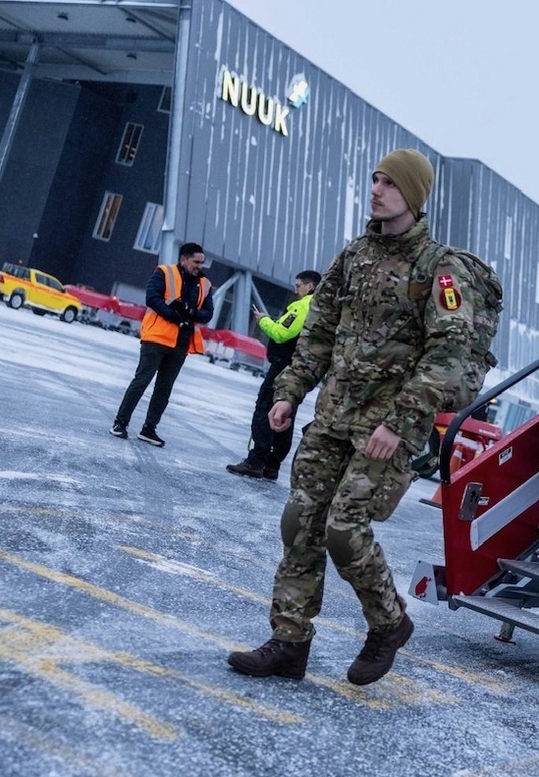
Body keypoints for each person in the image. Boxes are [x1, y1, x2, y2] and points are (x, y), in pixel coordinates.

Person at [228, 148, 494, 685]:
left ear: (413, 196)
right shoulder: (354, 256)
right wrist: (291, 390)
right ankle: (289, 642)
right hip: (333, 417)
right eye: (374, 179)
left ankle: (389, 623)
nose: (376, 189)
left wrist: (398, 422)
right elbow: (319, 332)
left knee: (345, 531)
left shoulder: (439, 269)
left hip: (388, 428)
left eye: (389, 183)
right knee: (299, 523)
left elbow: (449, 357)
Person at [110, 243, 214, 446]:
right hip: (156, 338)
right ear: (183, 259)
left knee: (164, 389)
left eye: (202, 263)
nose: (200, 266)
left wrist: (190, 314)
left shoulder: (205, 284)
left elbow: (208, 313)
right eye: (196, 262)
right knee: (141, 381)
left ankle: (149, 429)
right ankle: (120, 423)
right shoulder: (164, 272)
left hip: (181, 343)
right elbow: (152, 299)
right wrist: (176, 317)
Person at [226, 270, 321, 481]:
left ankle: (256, 460)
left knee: (265, 409)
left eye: (298, 286)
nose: (295, 290)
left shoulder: (303, 305)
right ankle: (273, 464)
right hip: (299, 369)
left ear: (310, 286)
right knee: (285, 414)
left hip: (283, 367)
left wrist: (263, 320)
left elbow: (282, 333)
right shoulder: (322, 308)